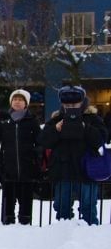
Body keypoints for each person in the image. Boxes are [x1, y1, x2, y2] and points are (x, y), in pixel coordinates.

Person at [37, 85, 107, 226]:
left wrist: (84, 127)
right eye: (67, 104)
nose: (71, 107)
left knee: (88, 208)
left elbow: (101, 139)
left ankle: (90, 238)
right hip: (62, 171)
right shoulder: (56, 119)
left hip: (87, 170)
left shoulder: (92, 118)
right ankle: (63, 238)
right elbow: (43, 141)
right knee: (62, 209)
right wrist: (56, 129)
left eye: (74, 104)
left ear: (82, 102)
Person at [0, 89, 42, 225]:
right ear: (11, 102)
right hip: (8, 171)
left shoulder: (32, 120)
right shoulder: (2, 120)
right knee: (7, 209)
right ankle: (7, 230)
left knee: (26, 209)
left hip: (27, 171)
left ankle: (25, 231)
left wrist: (35, 159)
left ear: (26, 103)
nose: (17, 102)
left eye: (21, 100)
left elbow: (40, 143)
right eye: (15, 99)